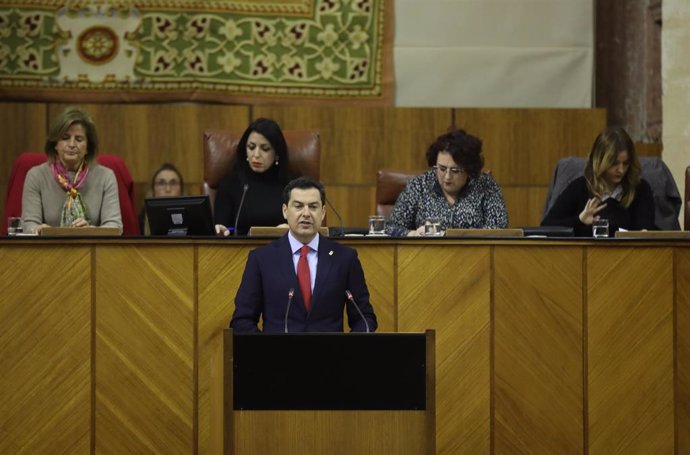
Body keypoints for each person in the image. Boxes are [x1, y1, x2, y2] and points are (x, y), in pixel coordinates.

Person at [231, 176, 377, 333]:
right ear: (285, 211)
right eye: (298, 206)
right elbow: (242, 320)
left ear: (323, 212)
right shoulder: (261, 259)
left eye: (313, 207)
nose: (306, 213)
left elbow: (364, 318)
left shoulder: (345, 258)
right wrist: (268, 352)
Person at [385, 129, 508, 236]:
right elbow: (390, 228)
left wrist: (451, 235)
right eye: (442, 169)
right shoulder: (419, 185)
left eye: (455, 170)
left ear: (468, 169)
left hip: (474, 258)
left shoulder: (486, 185)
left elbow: (500, 229)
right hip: (426, 257)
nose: (447, 176)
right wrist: (412, 234)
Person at [22, 107, 122, 234]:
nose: (72, 144)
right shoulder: (36, 176)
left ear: (87, 148)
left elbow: (115, 226)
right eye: (65, 138)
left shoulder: (105, 176)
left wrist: (90, 231)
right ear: (55, 144)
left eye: (79, 139)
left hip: (92, 248)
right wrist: (39, 230)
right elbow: (29, 223)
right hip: (48, 249)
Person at [541, 126, 657, 236]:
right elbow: (547, 226)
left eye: (625, 163)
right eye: (614, 163)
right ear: (600, 160)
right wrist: (579, 220)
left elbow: (646, 230)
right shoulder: (580, 187)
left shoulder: (639, 189)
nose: (621, 170)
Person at [214, 118, 292, 236]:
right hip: (239, 252)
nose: (256, 155)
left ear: (277, 153)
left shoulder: (291, 186)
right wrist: (222, 230)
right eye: (251, 147)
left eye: (265, 149)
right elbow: (222, 227)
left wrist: (292, 230)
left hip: (281, 250)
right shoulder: (230, 184)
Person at [139, 163, 184, 235]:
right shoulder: (142, 218)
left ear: (181, 190)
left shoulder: (192, 218)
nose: (168, 189)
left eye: (173, 183)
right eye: (161, 183)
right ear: (153, 190)